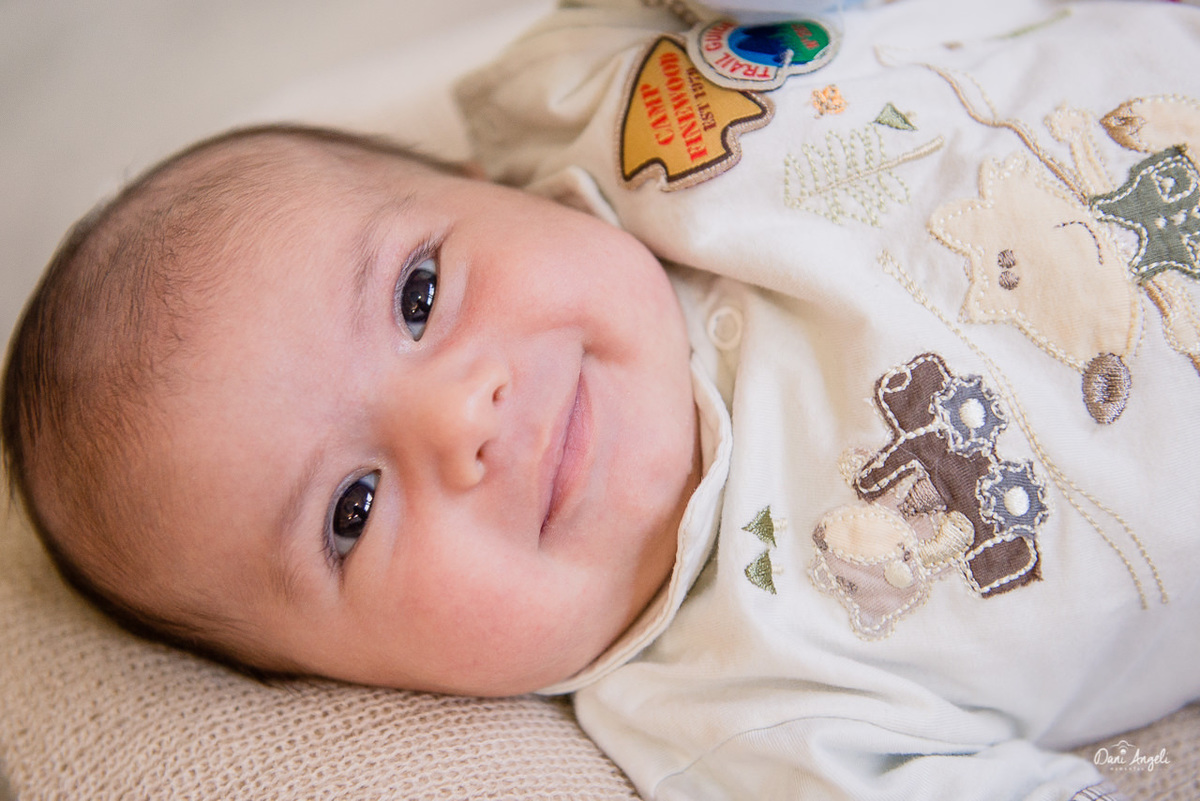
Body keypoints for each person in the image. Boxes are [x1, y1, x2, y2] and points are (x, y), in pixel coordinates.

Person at [3, 0, 1198, 797]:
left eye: (420, 294)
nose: (459, 420)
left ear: (485, 181)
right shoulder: (744, 712)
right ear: (354, 680)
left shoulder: (598, 103)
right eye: (351, 512)